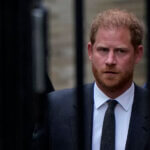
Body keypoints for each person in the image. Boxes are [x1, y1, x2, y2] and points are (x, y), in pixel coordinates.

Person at [33, 9, 150, 150]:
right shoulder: (55, 108)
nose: (110, 60)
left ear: (138, 54)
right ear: (90, 51)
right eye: (103, 50)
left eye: (120, 51)